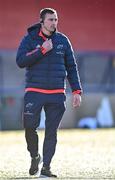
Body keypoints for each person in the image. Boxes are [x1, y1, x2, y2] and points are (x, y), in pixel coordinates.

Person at [16, 8, 82, 178]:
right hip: (34, 91)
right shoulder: (30, 38)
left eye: (56, 19)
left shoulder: (63, 40)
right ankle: (34, 156)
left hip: (57, 93)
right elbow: (20, 61)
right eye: (50, 19)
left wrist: (76, 90)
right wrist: (42, 50)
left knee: (51, 132)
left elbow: (72, 67)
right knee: (30, 127)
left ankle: (46, 167)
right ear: (42, 21)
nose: (54, 23)